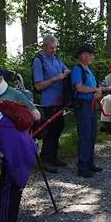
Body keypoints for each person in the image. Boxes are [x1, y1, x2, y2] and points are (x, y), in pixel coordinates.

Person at [32, 35, 71, 171]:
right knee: (50, 131)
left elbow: (66, 70)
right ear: (44, 46)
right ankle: (45, 160)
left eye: (55, 48)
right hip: (49, 102)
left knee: (58, 128)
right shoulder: (39, 61)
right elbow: (38, 86)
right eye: (51, 48)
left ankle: (53, 157)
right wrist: (54, 79)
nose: (53, 50)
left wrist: (65, 72)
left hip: (61, 100)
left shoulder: (56, 59)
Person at [72, 44, 103, 178]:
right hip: (82, 105)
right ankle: (82, 167)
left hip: (90, 105)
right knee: (85, 136)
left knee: (92, 135)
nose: (92, 57)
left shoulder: (88, 70)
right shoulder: (77, 70)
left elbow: (93, 88)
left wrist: (97, 93)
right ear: (83, 55)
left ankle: (90, 163)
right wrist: (95, 90)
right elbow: (79, 88)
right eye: (90, 54)